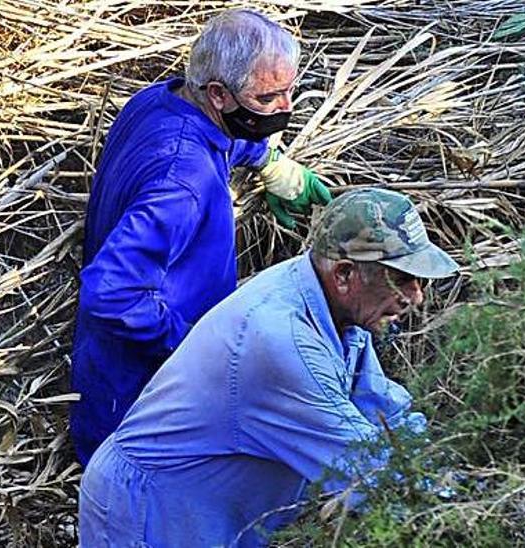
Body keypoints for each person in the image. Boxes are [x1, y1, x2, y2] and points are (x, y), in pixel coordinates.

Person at [78, 189, 460, 547]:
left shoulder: (339, 312)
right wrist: (467, 509)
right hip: (148, 513)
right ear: (344, 274)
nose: (416, 296)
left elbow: (381, 410)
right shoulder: (281, 341)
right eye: (403, 279)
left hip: (204, 512)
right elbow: (367, 468)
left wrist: (457, 471)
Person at [70, 8, 333, 464]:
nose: (286, 107)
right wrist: (196, 346)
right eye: (270, 97)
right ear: (220, 94)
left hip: (117, 373)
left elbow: (213, 135)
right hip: (142, 397)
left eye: (290, 90)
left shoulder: (158, 100)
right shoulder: (183, 183)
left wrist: (267, 161)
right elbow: (110, 292)